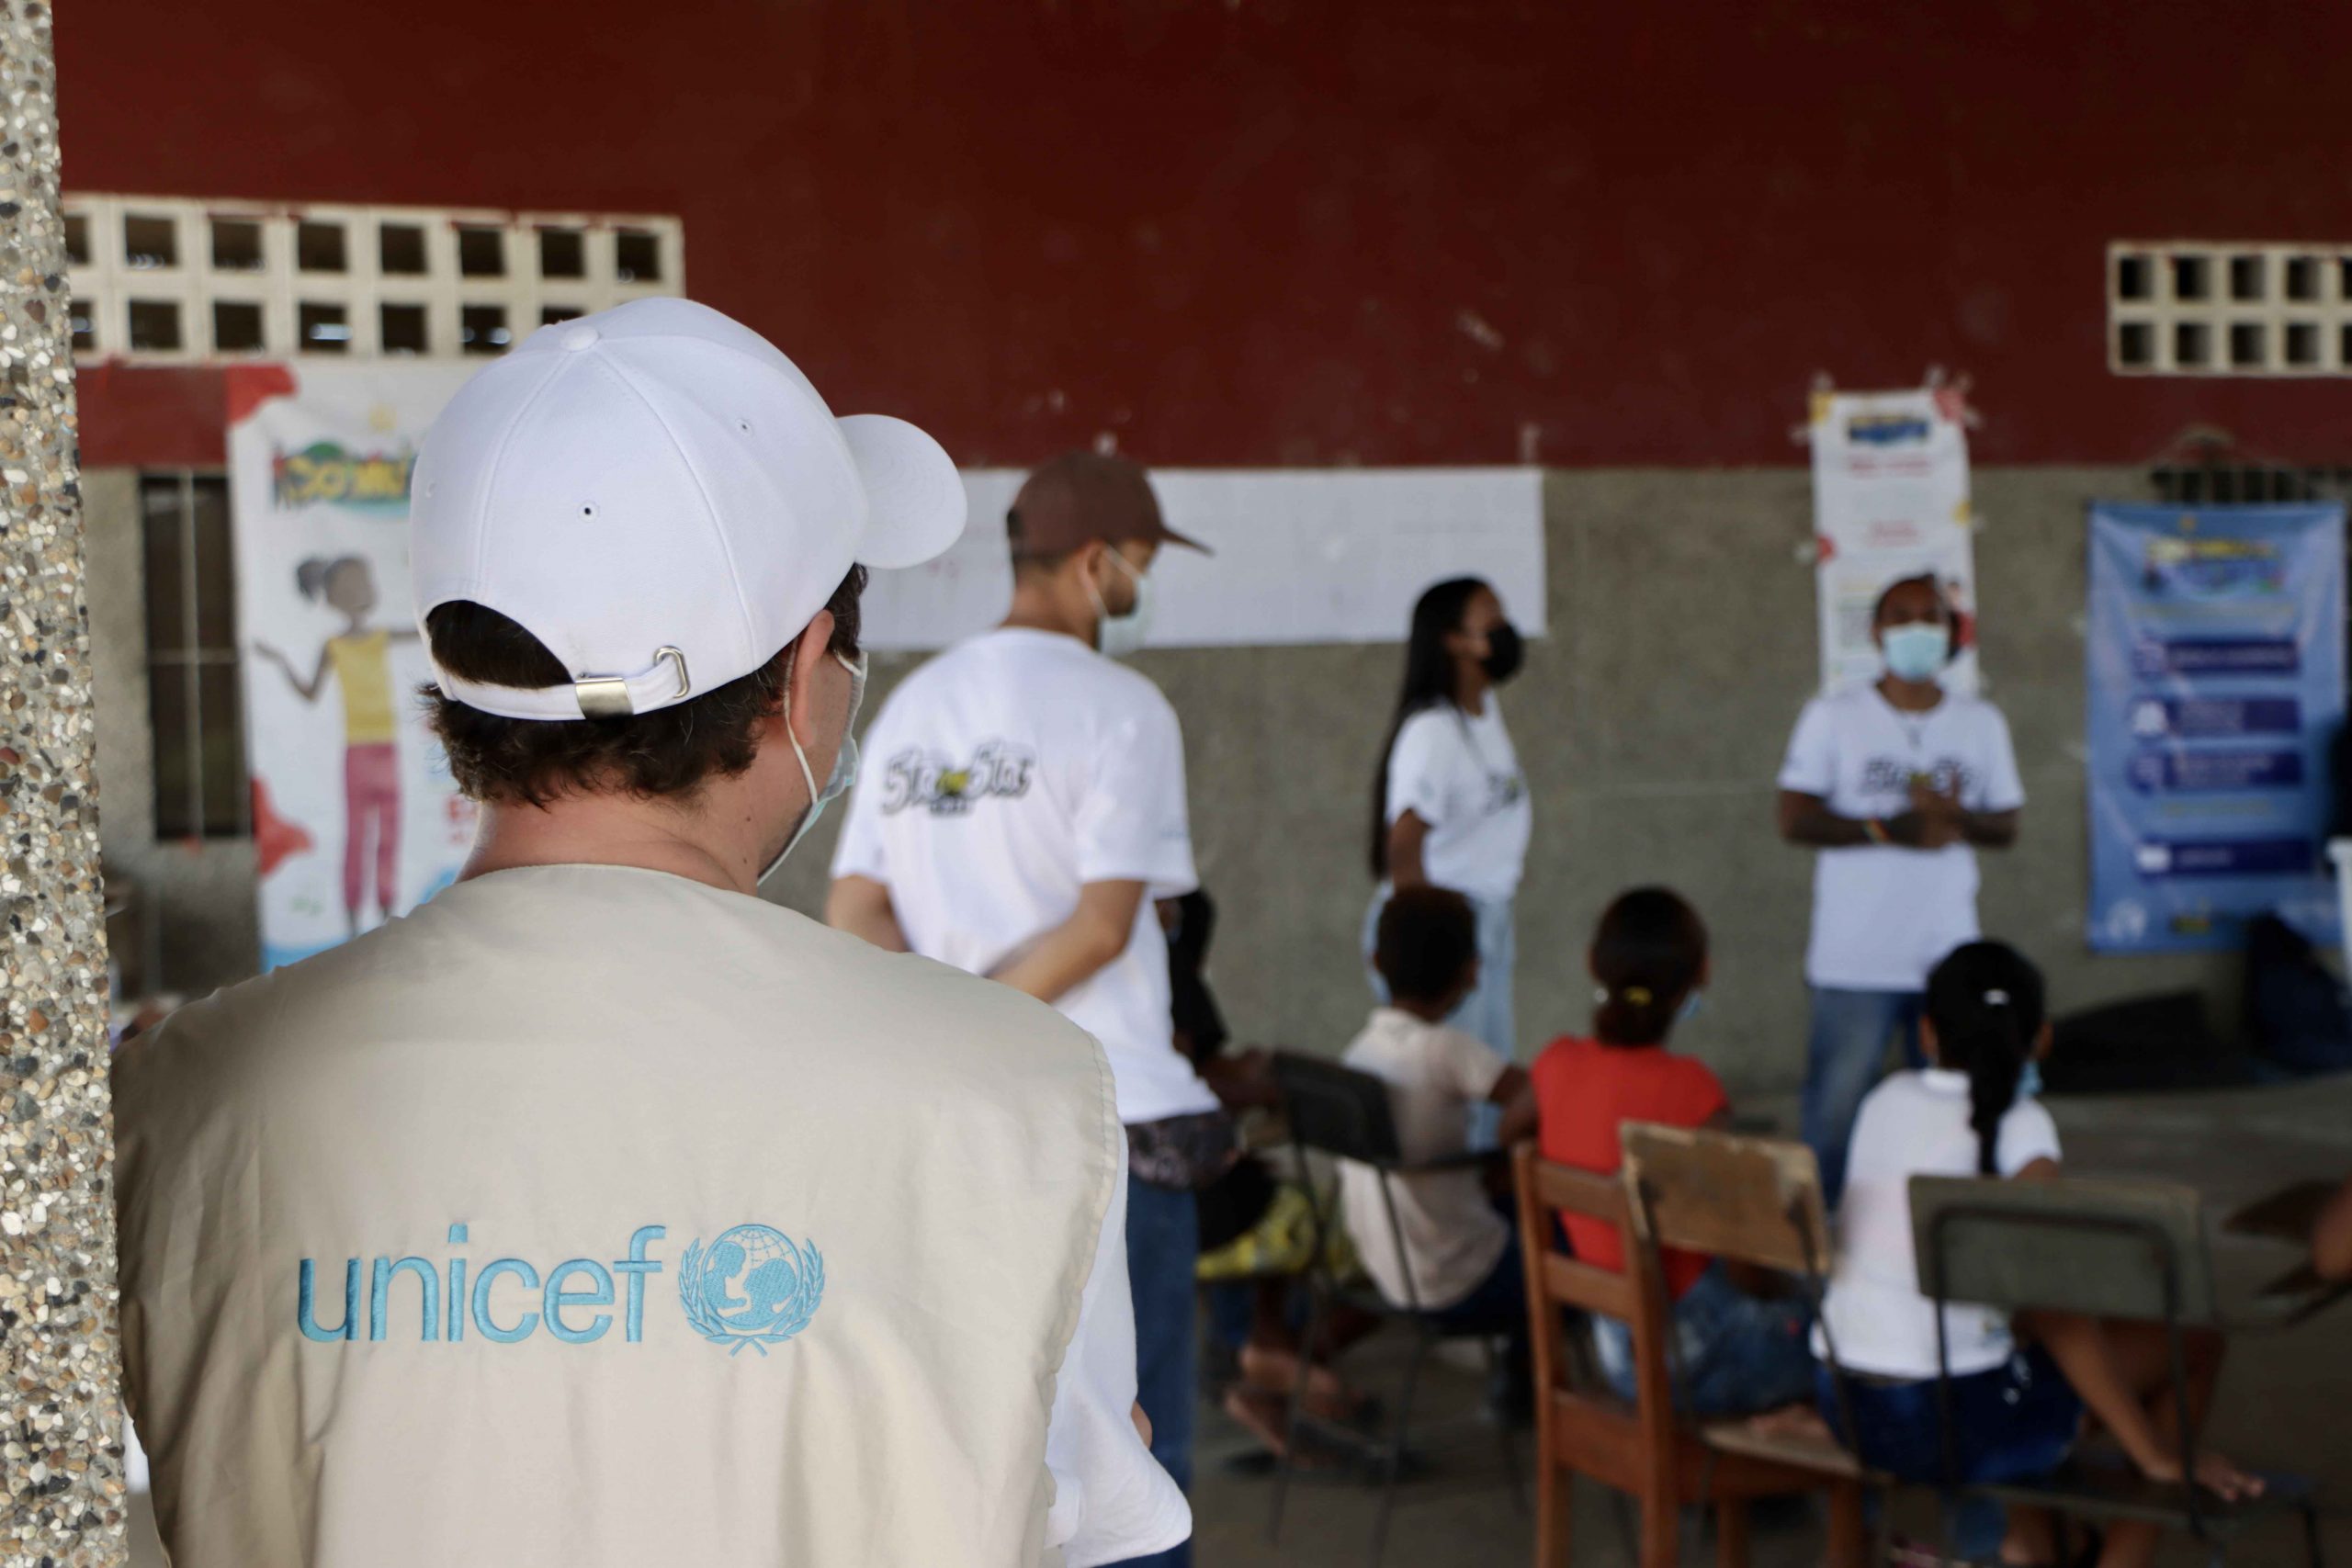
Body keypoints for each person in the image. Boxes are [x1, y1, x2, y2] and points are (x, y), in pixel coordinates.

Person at [113, 300, 1188, 1567]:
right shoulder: (1018, 1097)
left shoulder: (170, 1106)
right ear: (806, 672)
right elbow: (1101, 1530)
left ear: (460, 672)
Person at [829, 449, 1215, 1567]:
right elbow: (1103, 927)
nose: (1140, 590)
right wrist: (992, 1039)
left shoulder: (913, 705)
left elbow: (853, 911)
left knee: (993, 1459)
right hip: (1111, 1130)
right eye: (1138, 566)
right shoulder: (1125, 708)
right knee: (1137, 1467)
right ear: (1095, 564)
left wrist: (951, 1047)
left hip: (963, 1143)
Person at [1815, 941, 2263, 1568]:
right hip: (1955, 1423)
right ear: (2043, 1037)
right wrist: (2158, 1455)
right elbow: (2056, 1309)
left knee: (2021, 1357)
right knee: (2193, 1344)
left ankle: (2035, 1541)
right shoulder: (2023, 1128)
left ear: (1925, 1031)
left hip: (1848, 1404)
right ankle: (2105, 1554)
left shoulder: (1884, 1100)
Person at [1776, 571, 2024, 1205]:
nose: (1918, 629)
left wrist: (1955, 818)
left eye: (1932, 617)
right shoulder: (1833, 716)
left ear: (1952, 632)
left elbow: (2007, 822)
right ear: (1877, 632)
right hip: (1854, 958)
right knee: (1834, 1117)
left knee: (1958, 1120)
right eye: (1902, 616)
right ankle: (1826, 1260)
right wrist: (1890, 826)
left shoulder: (1979, 721)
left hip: (1948, 953)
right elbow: (1794, 817)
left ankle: (1943, 1240)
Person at [1532, 887, 1815, 1416]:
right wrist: (1801, 1288)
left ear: (1593, 965)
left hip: (1614, 1355)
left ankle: (1748, 1487)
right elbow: (1745, 1270)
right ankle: (1781, 1480)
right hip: (1693, 1363)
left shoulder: (1555, 1065)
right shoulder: (1692, 1093)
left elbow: (1513, 1128)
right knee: (1844, 1341)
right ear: (1701, 974)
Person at [1338, 886, 1535, 1358]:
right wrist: (1509, 1146)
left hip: (1391, 1273)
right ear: (1471, 972)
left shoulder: (1360, 1051)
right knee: (1569, 1242)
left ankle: (1518, 1386)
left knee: (1508, 1200)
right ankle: (1528, 1388)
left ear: (1376, 961)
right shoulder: (1442, 1048)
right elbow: (1538, 1095)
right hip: (1457, 1282)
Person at [1366, 577, 1532, 1081]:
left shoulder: (1480, 713)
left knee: (1486, 1072)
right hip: (1445, 927)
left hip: (1484, 917)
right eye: (1491, 619)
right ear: (1454, 640)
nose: (1506, 629)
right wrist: (1437, 954)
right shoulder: (1433, 730)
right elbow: (1404, 848)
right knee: (1457, 1088)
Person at [254, 555, 417, 933]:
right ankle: (352, 916)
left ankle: (384, 909)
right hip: (359, 751)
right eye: (351, 587)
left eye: (364, 584)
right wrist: (280, 661)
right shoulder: (334, 645)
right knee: (360, 835)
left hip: (384, 749)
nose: (361, 593)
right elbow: (311, 693)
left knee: (388, 832)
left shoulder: (380, 637)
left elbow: (422, 633)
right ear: (332, 598)